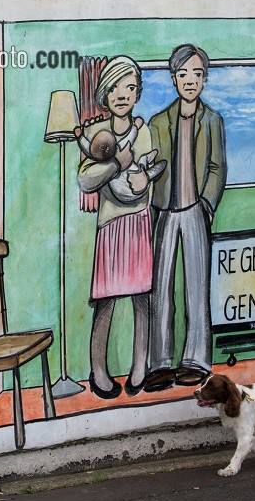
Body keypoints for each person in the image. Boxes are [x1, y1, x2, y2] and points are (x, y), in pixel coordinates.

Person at [76, 57, 165, 398]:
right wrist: (117, 163)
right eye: (115, 87)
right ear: (104, 93)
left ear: (138, 93)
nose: (122, 94)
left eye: (130, 87)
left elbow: (146, 177)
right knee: (106, 301)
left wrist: (141, 176)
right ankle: (99, 371)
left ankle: (140, 365)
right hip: (111, 226)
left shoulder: (142, 130)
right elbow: (86, 180)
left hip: (138, 220)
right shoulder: (97, 133)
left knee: (141, 298)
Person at [144, 44, 226, 392]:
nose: (189, 80)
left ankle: (196, 360)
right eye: (182, 74)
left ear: (204, 80)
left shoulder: (212, 120)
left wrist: (206, 205)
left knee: (196, 287)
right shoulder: (158, 121)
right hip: (163, 211)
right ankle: (160, 362)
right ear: (173, 78)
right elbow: (149, 167)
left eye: (196, 73)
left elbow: (217, 168)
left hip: (195, 212)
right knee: (160, 289)